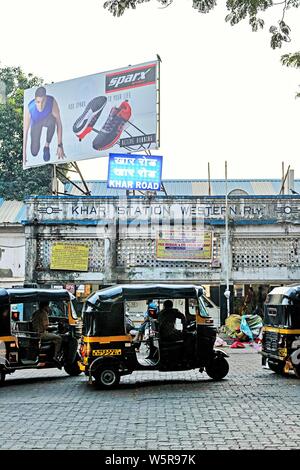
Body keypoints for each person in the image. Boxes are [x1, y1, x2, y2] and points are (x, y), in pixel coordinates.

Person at [23, 86, 66, 163]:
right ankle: (36, 149)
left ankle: (46, 146)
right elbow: (25, 132)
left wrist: (60, 145)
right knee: (34, 152)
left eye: (43, 102)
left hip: (47, 120)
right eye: (38, 102)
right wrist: (24, 154)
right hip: (36, 123)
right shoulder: (30, 108)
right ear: (35, 100)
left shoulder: (52, 102)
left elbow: (59, 123)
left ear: (46, 99)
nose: (40, 106)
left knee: (53, 121)